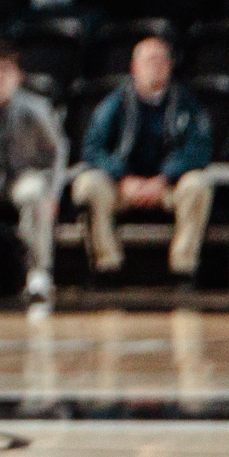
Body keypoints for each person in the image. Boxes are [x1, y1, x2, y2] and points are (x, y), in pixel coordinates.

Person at [70, 34, 215, 285]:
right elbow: (92, 149)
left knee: (198, 185)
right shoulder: (114, 104)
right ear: (134, 68)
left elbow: (200, 149)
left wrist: (164, 178)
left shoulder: (187, 104)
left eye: (161, 61)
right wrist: (123, 177)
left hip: (169, 186)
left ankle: (183, 269)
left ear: (170, 67)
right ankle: (107, 267)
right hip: (124, 186)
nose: (156, 67)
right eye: (149, 61)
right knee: (87, 185)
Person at [0, 43, 66, 308]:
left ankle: (39, 272)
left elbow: (57, 154)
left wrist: (53, 193)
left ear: (18, 76)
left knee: (35, 193)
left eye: (4, 71)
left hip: (25, 175)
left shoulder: (36, 108)